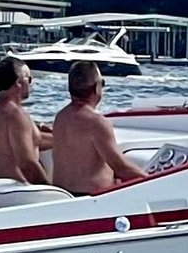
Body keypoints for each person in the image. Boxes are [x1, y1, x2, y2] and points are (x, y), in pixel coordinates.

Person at [50, 61, 145, 196]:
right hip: (92, 198)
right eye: (102, 83)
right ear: (96, 88)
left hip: (64, 195)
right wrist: (153, 179)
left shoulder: (60, 117)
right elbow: (121, 168)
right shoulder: (96, 122)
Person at [0, 56, 54, 185]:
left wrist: (64, 138)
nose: (32, 84)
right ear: (19, 82)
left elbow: (33, 139)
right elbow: (26, 163)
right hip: (15, 187)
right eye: (29, 79)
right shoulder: (16, 114)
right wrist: (50, 189)